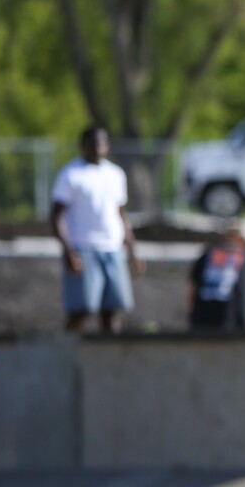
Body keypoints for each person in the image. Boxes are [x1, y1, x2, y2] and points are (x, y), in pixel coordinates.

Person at [50, 125, 144, 333]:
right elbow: (56, 215)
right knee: (82, 309)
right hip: (84, 247)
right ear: (83, 146)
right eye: (91, 144)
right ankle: (67, 354)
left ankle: (110, 359)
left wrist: (133, 252)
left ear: (107, 146)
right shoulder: (71, 174)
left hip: (112, 248)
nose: (96, 148)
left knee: (112, 309)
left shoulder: (116, 174)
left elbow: (121, 215)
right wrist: (68, 251)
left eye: (100, 143)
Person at [187, 224, 245, 332]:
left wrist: (191, 321)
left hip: (202, 324)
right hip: (237, 323)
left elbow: (191, 293)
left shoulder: (206, 256)